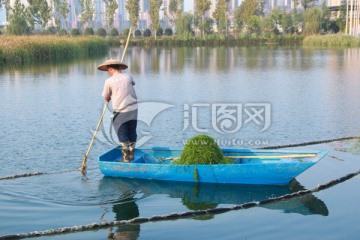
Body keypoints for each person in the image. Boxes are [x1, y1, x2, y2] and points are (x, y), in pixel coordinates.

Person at [97, 59, 138, 162]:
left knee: (122, 134)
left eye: (108, 70)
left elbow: (106, 97)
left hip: (121, 110)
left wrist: (109, 97)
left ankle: (126, 159)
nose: (108, 71)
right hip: (133, 109)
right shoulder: (128, 76)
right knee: (132, 131)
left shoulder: (109, 81)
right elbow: (132, 84)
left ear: (110, 69)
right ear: (119, 68)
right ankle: (131, 156)